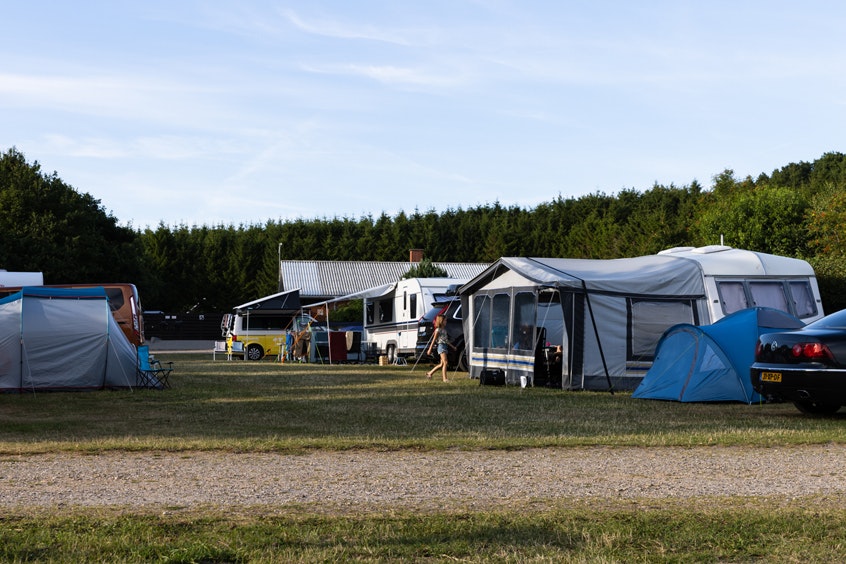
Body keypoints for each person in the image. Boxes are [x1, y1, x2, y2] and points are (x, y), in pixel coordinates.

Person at [426, 314, 454, 382]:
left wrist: (453, 347)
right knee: (445, 362)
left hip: (445, 346)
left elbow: (446, 341)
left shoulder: (444, 330)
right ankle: (445, 379)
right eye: (445, 320)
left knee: (441, 364)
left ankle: (430, 373)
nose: (446, 322)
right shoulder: (438, 330)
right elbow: (433, 340)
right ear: (441, 321)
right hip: (441, 347)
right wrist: (430, 349)